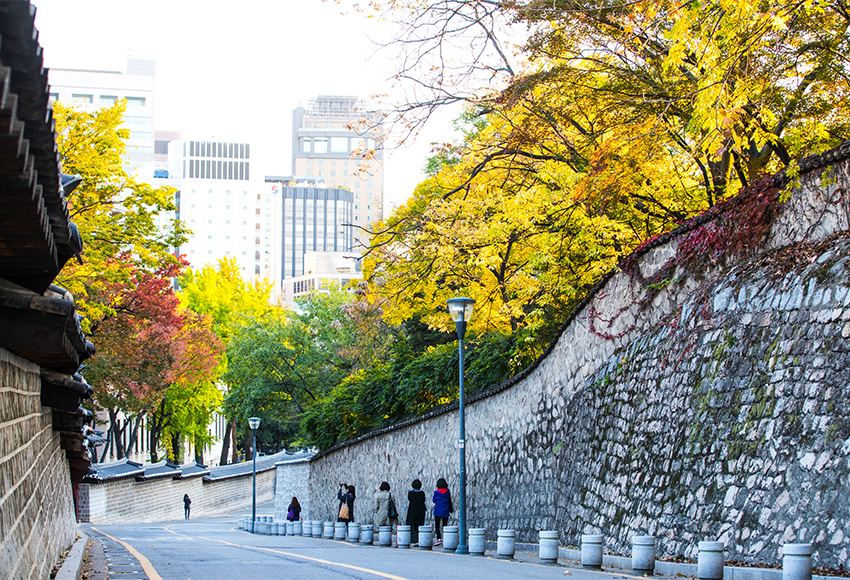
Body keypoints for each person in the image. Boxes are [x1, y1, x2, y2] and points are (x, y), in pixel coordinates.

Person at [432, 477, 453, 546]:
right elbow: (449, 500)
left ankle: (439, 538)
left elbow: (434, 500)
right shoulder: (448, 491)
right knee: (445, 525)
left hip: (438, 510)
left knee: (437, 525)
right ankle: (445, 539)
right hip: (445, 510)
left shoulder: (437, 492)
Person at [406, 479, 426, 546]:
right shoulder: (422, 494)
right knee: (419, 525)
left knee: (412, 526)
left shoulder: (411, 493)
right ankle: (418, 540)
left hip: (412, 511)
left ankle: (412, 539)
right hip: (420, 511)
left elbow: (409, 499)